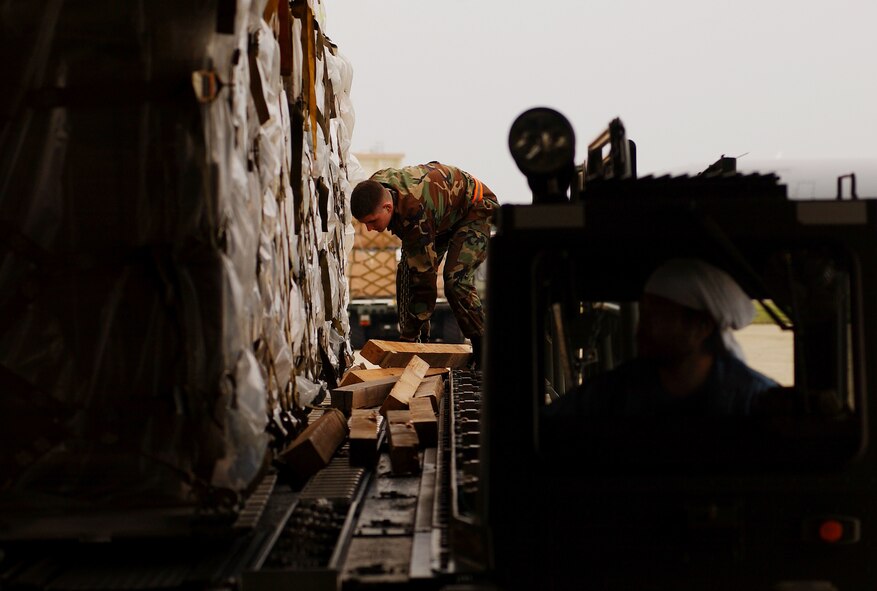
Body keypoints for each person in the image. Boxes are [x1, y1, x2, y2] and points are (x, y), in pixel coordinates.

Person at [544, 258, 778, 418]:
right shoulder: (613, 393)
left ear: (702, 326)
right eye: (643, 315)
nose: (641, 328)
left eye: (656, 316)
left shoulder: (754, 400)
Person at [350, 161, 498, 364]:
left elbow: (424, 281)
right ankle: (420, 342)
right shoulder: (376, 187)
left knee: (455, 281)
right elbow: (413, 274)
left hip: (474, 208)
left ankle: (484, 350)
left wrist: (409, 339)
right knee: (408, 270)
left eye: (372, 221)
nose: (368, 229)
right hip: (442, 215)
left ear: (388, 207)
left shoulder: (415, 214)